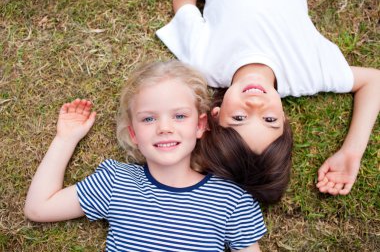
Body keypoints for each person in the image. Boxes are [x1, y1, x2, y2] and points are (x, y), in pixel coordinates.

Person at [156, 0, 380, 199]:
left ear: (215, 114)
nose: (255, 104)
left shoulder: (204, 63)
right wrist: (352, 151)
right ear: (284, 117)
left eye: (239, 117)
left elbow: (184, 3)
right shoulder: (307, 73)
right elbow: (374, 81)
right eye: (270, 119)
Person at [24, 60, 267, 251]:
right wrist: (65, 139)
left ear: (200, 125)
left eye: (179, 116)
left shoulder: (231, 199)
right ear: (134, 134)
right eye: (149, 118)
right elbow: (38, 209)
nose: (164, 128)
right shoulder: (116, 182)